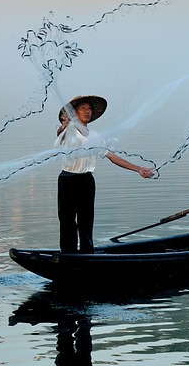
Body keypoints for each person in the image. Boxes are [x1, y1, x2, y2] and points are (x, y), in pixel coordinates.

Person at [57, 95, 154, 253]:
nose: (87, 112)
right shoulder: (69, 131)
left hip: (86, 181)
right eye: (83, 108)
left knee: (86, 221)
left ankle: (87, 253)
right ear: (75, 113)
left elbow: (112, 156)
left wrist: (138, 169)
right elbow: (59, 134)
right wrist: (66, 123)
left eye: (89, 109)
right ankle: (68, 254)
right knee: (67, 220)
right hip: (67, 179)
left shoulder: (96, 137)